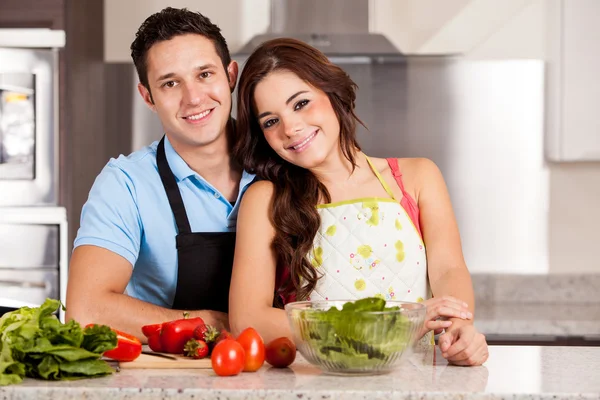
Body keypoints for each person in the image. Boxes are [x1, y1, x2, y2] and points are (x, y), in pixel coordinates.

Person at [229, 38, 488, 366]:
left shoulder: (418, 177)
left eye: (300, 103)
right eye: (270, 121)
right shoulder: (264, 200)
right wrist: (383, 329)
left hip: (416, 378)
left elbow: (449, 269)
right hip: (318, 381)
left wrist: (461, 328)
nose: (291, 128)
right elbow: (248, 319)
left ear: (331, 92)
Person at [65, 7, 254, 339]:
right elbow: (85, 310)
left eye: (205, 74)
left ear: (231, 75)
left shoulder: (282, 166)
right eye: (170, 83)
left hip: (273, 366)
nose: (193, 98)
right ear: (148, 97)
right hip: (165, 373)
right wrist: (209, 323)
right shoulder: (125, 185)